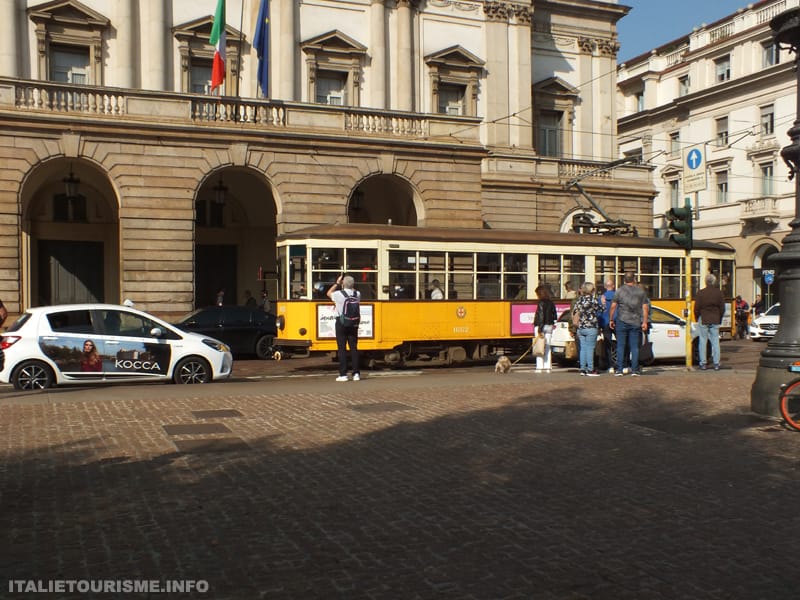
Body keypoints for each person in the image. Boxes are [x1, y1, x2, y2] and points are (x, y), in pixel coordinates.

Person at [609, 271, 649, 376]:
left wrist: (611, 319)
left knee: (621, 346)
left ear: (624, 280)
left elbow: (613, 306)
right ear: (634, 279)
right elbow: (645, 308)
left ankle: (619, 370)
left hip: (622, 320)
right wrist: (644, 321)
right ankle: (635, 370)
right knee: (634, 347)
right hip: (635, 321)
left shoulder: (619, 291)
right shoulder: (641, 292)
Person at [327, 274, 361, 382]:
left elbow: (328, 293)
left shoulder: (338, 294)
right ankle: (356, 374)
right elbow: (352, 290)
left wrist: (337, 283)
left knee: (342, 349)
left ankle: (343, 374)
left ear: (343, 284)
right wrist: (349, 284)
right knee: (354, 348)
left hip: (341, 322)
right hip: (354, 323)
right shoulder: (357, 294)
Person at [694, 273, 726, 371]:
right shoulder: (719, 293)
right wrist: (719, 318)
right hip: (715, 318)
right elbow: (722, 308)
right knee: (715, 341)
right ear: (714, 281)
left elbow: (696, 308)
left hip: (703, 318)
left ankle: (703, 363)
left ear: (705, 282)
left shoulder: (700, 293)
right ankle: (716, 363)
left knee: (702, 341)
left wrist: (697, 318)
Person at [573, 281, 602, 376]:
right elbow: (600, 309)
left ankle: (582, 368)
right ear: (592, 290)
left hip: (581, 327)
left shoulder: (579, 300)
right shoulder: (593, 300)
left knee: (583, 348)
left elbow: (574, 312)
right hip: (591, 326)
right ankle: (590, 369)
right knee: (590, 348)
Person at [533, 284, 557, 373]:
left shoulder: (541, 303)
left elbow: (541, 316)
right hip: (549, 326)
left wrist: (539, 328)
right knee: (547, 346)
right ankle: (548, 366)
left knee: (539, 346)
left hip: (541, 326)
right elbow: (555, 315)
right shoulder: (551, 302)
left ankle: (539, 367)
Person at [598, 278, 616, 373]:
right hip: (617, 322)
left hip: (605, 323)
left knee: (607, 345)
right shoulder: (618, 296)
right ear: (613, 286)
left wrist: (599, 325)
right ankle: (624, 364)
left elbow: (598, 312)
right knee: (622, 343)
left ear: (605, 287)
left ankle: (610, 366)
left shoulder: (601, 298)